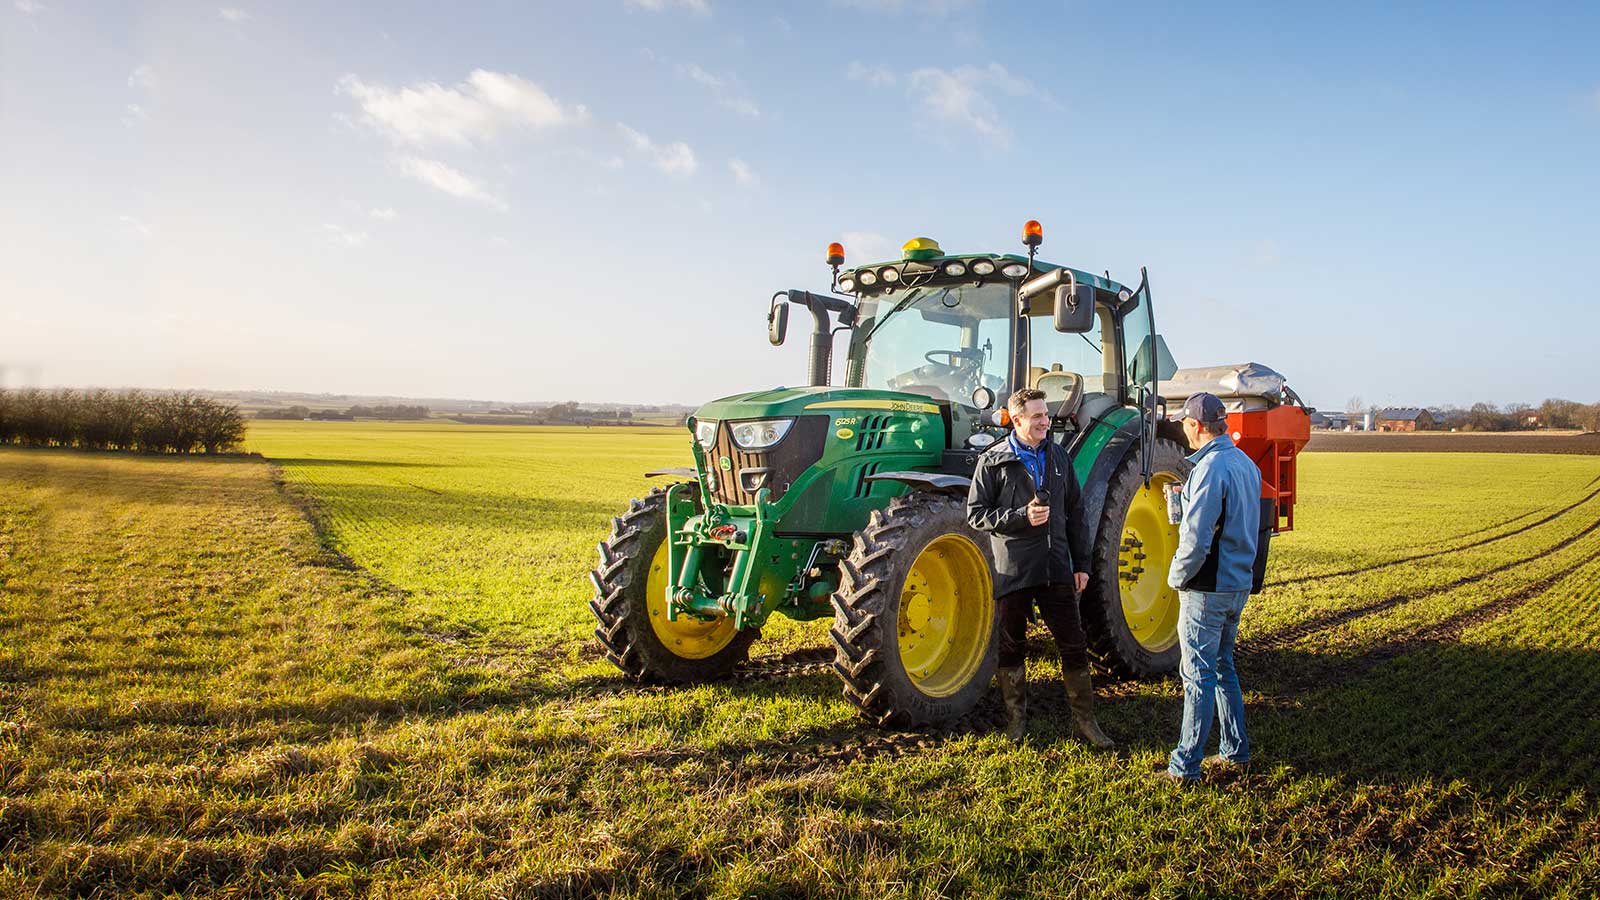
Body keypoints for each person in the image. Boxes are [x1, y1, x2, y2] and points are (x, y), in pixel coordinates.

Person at [966, 388, 1114, 748]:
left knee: (1074, 643)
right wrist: (1021, 517)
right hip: (1014, 568)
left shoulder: (1060, 457)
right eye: (1036, 416)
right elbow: (975, 514)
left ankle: (1087, 721)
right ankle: (1016, 721)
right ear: (1016, 420)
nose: (1045, 421)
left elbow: (1076, 514)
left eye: (1045, 415)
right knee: (1012, 645)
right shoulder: (993, 460)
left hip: (1055, 567)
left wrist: (1080, 564)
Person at [1161, 392, 1262, 783]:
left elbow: (1198, 537)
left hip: (1207, 587)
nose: (1183, 429)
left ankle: (1185, 766)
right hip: (1237, 583)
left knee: (1197, 676)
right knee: (1223, 668)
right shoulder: (1244, 464)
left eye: (1184, 422)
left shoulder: (1209, 469)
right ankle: (1236, 752)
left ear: (1196, 426)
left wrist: (1176, 576)